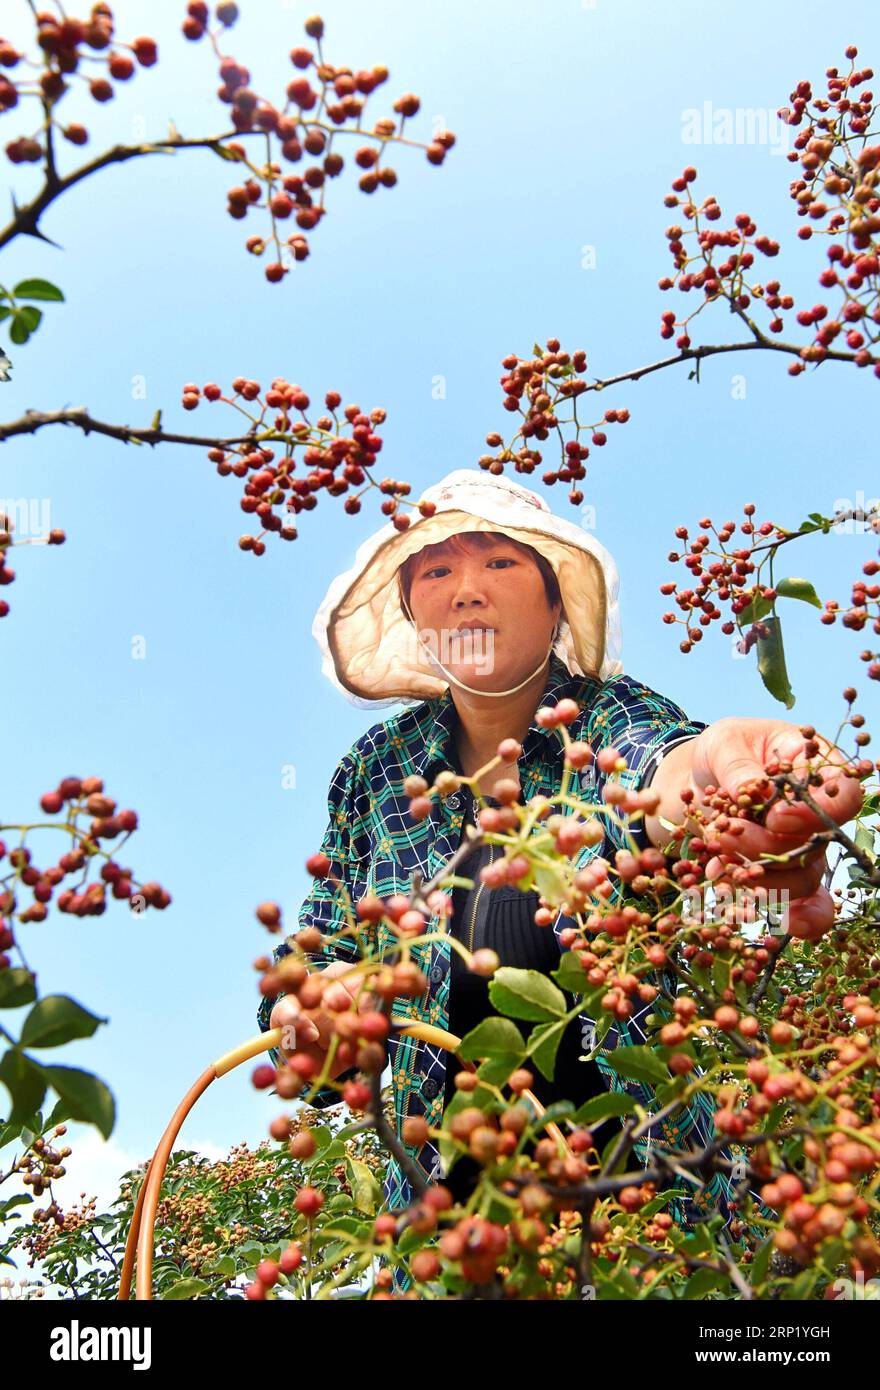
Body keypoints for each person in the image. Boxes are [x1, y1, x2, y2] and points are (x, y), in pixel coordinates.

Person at [257, 466, 861, 1224]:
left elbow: (660, 780)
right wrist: (313, 1019)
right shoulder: (374, 773)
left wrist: (715, 792)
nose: (467, 589)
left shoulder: (606, 717)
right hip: (452, 1221)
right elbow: (316, 953)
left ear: (553, 608)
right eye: (437, 570)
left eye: (501, 563)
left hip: (646, 1205)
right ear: (413, 614)